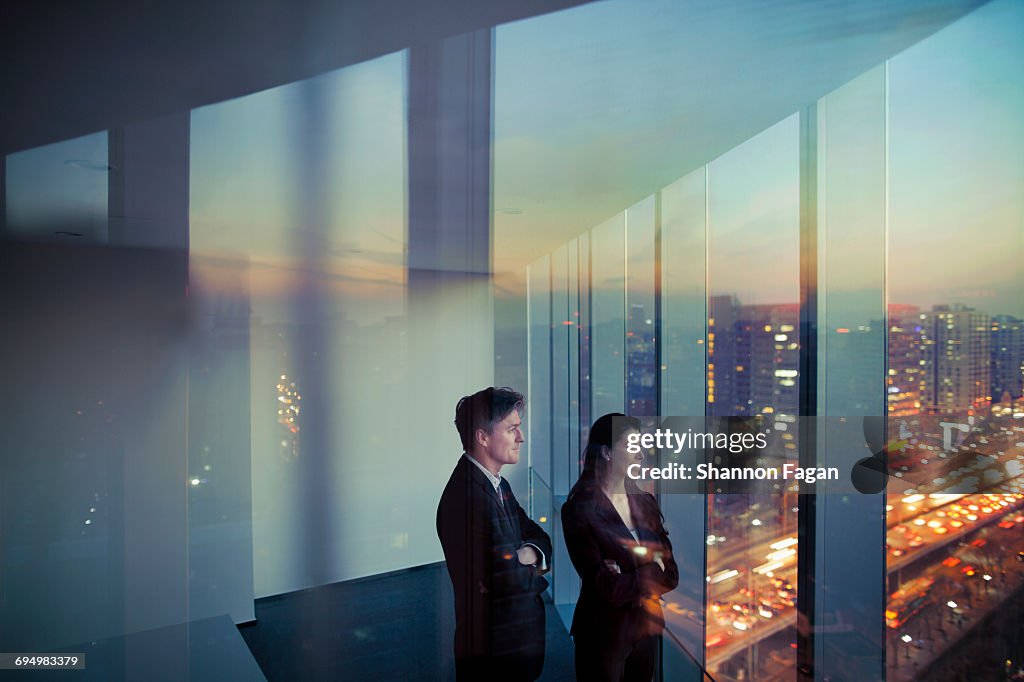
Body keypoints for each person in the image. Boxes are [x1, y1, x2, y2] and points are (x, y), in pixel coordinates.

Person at [437, 387, 552, 681]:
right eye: (512, 429)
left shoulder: (495, 484)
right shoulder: (468, 498)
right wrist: (521, 563)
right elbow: (509, 582)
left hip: (510, 644)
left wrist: (525, 556)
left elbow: (538, 536)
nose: (521, 437)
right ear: (483, 437)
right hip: (494, 655)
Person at [561, 413, 679, 682]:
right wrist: (652, 568)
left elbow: (671, 574)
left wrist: (627, 575)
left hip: (646, 629)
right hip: (603, 633)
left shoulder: (645, 501)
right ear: (606, 452)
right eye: (631, 445)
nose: (640, 454)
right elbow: (607, 589)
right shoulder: (579, 510)